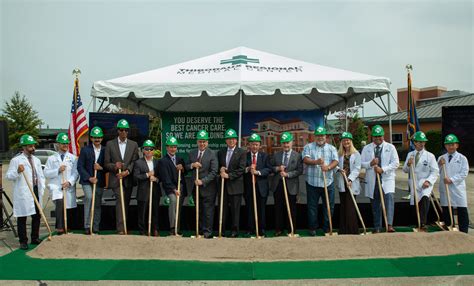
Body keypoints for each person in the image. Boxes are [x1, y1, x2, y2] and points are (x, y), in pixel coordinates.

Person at [6, 134, 46, 250]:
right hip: (24, 191)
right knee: (22, 217)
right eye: (30, 146)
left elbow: (40, 176)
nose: (33, 148)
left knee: (37, 215)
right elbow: (9, 176)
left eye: (33, 146)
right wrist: (17, 171)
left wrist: (41, 186)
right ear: (24, 147)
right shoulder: (16, 160)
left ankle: (35, 237)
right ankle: (23, 241)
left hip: (35, 189)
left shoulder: (37, 160)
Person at [361, 125, 399, 233]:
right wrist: (370, 163)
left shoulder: (390, 147)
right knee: (375, 204)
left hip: (387, 179)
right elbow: (361, 164)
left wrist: (383, 169)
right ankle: (377, 226)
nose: (377, 138)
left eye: (379, 136)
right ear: (372, 136)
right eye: (375, 136)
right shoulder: (367, 148)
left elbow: (395, 163)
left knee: (389, 201)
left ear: (383, 135)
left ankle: (389, 225)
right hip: (373, 180)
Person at [104, 119, 139, 234]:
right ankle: (120, 228)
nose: (124, 132)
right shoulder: (110, 144)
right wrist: (115, 166)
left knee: (126, 202)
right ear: (118, 131)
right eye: (121, 130)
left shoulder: (134, 145)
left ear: (128, 131)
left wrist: (127, 171)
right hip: (116, 179)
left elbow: (135, 161)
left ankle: (125, 225)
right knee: (120, 200)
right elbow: (106, 164)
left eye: (126, 130)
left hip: (127, 179)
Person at [302, 126, 339, 236]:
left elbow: (336, 161)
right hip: (312, 183)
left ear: (325, 136)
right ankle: (312, 228)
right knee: (312, 207)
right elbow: (305, 159)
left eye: (322, 135)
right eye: (318, 135)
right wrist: (316, 162)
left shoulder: (332, 148)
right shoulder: (308, 147)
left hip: (328, 182)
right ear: (315, 136)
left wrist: (327, 167)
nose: (320, 137)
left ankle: (327, 228)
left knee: (328, 206)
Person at [402, 131, 439, 231]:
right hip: (414, 182)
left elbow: (435, 171)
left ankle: (423, 223)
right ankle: (417, 222)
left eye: (423, 142)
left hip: (425, 183)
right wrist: (408, 164)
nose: (421, 144)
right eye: (419, 142)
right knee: (416, 202)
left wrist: (429, 181)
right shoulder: (410, 154)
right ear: (415, 142)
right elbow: (405, 170)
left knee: (425, 198)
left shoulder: (430, 156)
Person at [44, 133, 79, 235]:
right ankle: (59, 227)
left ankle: (68, 227)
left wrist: (69, 182)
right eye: (63, 143)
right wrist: (57, 170)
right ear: (58, 144)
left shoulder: (73, 158)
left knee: (68, 207)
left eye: (66, 143)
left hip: (68, 186)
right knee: (60, 204)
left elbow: (76, 173)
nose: (65, 145)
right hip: (56, 187)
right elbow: (46, 173)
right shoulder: (51, 158)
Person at [185, 130, 218, 239]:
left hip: (208, 188)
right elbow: (186, 167)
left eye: (204, 141)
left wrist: (202, 181)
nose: (202, 144)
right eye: (200, 141)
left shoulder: (212, 154)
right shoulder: (192, 153)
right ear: (197, 142)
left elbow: (214, 172)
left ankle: (207, 233)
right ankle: (198, 231)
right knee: (198, 210)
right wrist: (192, 165)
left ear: (207, 142)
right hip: (196, 188)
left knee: (208, 211)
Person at [270, 132, 303, 236]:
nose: (285, 145)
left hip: (291, 186)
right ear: (281, 144)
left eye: (287, 142)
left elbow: (299, 170)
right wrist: (278, 168)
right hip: (278, 185)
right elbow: (271, 168)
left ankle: (291, 229)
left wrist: (287, 174)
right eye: (284, 143)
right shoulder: (276, 155)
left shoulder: (297, 156)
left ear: (292, 142)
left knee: (292, 208)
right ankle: (278, 229)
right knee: (278, 208)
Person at [438, 134, 470, 233]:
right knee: (447, 209)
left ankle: (464, 232)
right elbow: (436, 171)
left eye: (452, 144)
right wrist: (439, 164)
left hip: (457, 188)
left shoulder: (462, 158)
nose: (450, 147)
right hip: (445, 188)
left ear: (457, 145)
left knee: (462, 210)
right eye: (448, 144)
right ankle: (449, 230)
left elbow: (464, 173)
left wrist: (452, 179)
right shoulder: (441, 158)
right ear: (445, 145)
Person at [217, 128, 246, 238]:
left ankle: (234, 231)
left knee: (235, 210)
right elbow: (218, 166)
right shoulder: (220, 152)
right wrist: (221, 169)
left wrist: (229, 176)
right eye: (229, 139)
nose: (231, 141)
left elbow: (241, 169)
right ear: (226, 141)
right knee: (223, 209)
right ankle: (222, 230)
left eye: (233, 139)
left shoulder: (242, 152)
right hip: (223, 186)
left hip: (236, 186)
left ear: (236, 140)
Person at [77, 126, 105, 234]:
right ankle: (87, 226)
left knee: (97, 203)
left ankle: (95, 226)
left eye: (99, 137)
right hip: (87, 181)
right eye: (94, 137)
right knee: (88, 198)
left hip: (99, 181)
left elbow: (107, 166)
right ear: (91, 138)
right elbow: (80, 166)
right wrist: (89, 178)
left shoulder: (105, 150)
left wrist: (101, 168)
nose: (97, 139)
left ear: (102, 138)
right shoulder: (85, 150)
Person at [244, 133, 272, 237]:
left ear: (260, 145)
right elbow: (240, 169)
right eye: (252, 144)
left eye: (256, 144)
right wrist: (247, 169)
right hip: (249, 187)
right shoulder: (245, 156)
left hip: (261, 188)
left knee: (261, 209)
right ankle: (250, 228)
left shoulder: (264, 156)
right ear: (249, 145)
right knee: (250, 208)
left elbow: (269, 169)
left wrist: (258, 172)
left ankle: (261, 229)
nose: (254, 146)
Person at [158, 136, 187, 235]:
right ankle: (172, 228)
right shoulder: (163, 161)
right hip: (171, 189)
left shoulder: (180, 159)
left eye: (174, 147)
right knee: (173, 202)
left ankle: (177, 230)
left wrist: (182, 169)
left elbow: (185, 173)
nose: (173, 149)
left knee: (178, 207)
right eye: (171, 147)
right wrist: (174, 189)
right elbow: (165, 178)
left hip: (181, 186)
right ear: (167, 148)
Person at [335, 132, 362, 235]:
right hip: (342, 183)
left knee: (350, 207)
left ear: (351, 141)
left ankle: (352, 230)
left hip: (351, 183)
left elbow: (357, 169)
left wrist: (350, 179)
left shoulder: (356, 154)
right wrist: (339, 170)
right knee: (343, 206)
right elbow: (335, 165)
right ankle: (343, 230)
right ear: (341, 142)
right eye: (344, 140)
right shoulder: (339, 154)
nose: (346, 142)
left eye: (348, 140)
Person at [133, 139, 161, 236]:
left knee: (155, 211)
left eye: (151, 149)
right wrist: (147, 175)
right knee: (142, 212)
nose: (149, 151)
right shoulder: (138, 163)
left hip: (155, 191)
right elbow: (136, 177)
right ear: (143, 150)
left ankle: (155, 229)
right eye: (146, 149)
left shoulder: (158, 162)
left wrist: (156, 179)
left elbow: (161, 177)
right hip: (143, 192)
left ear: (153, 150)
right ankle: (142, 230)